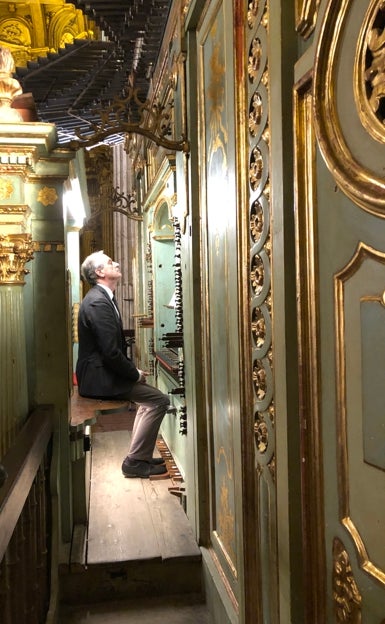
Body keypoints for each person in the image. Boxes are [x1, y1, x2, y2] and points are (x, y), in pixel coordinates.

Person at [76, 250, 170, 478]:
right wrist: (134, 374)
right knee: (159, 400)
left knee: (150, 402)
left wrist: (132, 371)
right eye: (110, 262)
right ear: (99, 272)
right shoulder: (98, 302)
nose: (116, 263)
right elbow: (110, 352)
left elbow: (112, 349)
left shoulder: (103, 297)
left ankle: (139, 458)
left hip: (103, 373)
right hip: (100, 379)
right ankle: (136, 461)